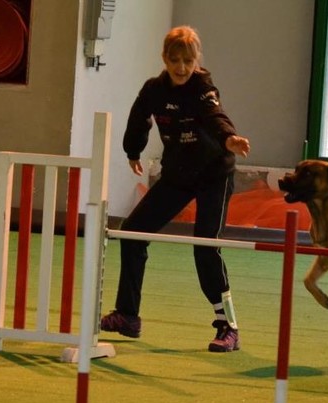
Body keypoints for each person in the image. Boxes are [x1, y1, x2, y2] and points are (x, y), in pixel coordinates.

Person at [100, 26, 250, 352]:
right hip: (179, 174)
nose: (182, 68)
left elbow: (215, 116)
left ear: (197, 60)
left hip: (214, 174)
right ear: (164, 58)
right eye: (175, 60)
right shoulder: (154, 89)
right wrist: (132, 151)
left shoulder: (202, 87)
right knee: (133, 231)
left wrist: (229, 139)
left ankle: (228, 326)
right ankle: (127, 314)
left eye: (188, 60)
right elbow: (139, 118)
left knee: (205, 246)